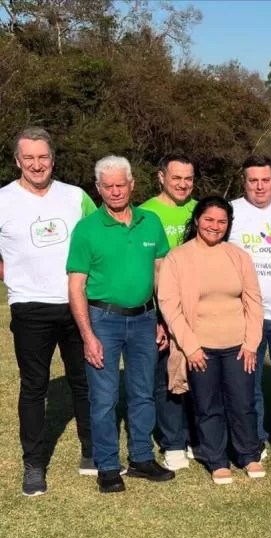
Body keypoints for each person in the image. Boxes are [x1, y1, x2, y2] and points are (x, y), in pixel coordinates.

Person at [66, 156, 175, 493]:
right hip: (103, 320)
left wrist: (161, 319)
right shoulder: (87, 229)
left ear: (132, 184)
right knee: (104, 397)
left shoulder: (151, 222)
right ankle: (109, 466)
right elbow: (76, 285)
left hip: (144, 319)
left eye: (120, 184)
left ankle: (142, 458)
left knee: (143, 393)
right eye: (107, 186)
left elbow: (160, 275)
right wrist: (87, 335)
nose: (115, 191)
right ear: (98, 189)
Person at [0, 127, 96, 496]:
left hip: (77, 305)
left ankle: (92, 453)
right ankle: (34, 465)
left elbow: (99, 238)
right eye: (29, 158)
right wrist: (13, 275)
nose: (36, 164)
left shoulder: (76, 197)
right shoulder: (4, 200)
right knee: (33, 387)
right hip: (29, 308)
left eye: (43, 157)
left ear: (53, 159)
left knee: (85, 382)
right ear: (17, 161)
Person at [158, 197, 265, 485]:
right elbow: (170, 305)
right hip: (199, 348)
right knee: (208, 406)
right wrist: (190, 346)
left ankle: (248, 454)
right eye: (209, 219)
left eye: (221, 221)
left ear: (228, 225)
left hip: (239, 346)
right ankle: (216, 459)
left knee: (243, 403)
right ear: (196, 220)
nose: (214, 226)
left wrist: (251, 343)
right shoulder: (177, 258)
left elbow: (254, 303)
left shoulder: (239, 256)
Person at [229, 155, 271, 459]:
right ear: (245, 182)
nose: (259, 186)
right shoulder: (230, 211)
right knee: (249, 384)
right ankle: (254, 440)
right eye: (253, 180)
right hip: (245, 315)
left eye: (265, 180)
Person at [140, 154, 198, 471]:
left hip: (197, 309)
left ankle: (197, 437)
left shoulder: (199, 210)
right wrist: (155, 314)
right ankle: (173, 442)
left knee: (198, 374)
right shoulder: (146, 212)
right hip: (160, 308)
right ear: (161, 177)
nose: (182, 184)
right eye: (176, 178)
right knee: (165, 376)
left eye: (188, 178)